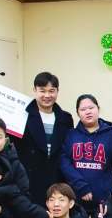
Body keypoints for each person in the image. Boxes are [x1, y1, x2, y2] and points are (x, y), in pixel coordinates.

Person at [60, 94, 112, 208]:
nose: (88, 112)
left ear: (99, 109)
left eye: (91, 108)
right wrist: (81, 186)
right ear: (78, 113)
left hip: (104, 199)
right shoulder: (71, 135)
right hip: (76, 197)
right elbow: (64, 163)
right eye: (83, 109)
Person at [17, 72, 74, 206]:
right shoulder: (21, 115)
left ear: (57, 92)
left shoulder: (65, 118)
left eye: (51, 91)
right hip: (29, 178)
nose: (47, 95)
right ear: (34, 90)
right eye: (42, 90)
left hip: (57, 178)